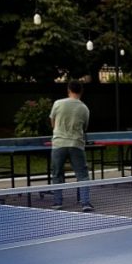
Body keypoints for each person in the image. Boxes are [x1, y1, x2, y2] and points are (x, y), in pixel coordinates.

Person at [49, 81, 93, 211]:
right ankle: (85, 203)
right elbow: (85, 127)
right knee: (82, 175)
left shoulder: (58, 103)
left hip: (59, 143)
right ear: (81, 91)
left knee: (57, 173)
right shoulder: (84, 108)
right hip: (76, 144)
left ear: (68, 90)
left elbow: (52, 122)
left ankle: (57, 202)